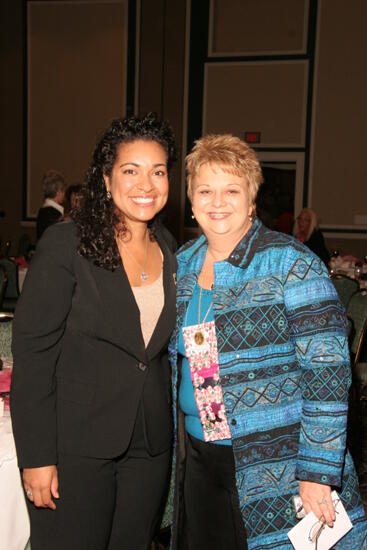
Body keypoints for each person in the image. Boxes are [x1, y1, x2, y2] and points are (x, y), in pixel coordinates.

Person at [168, 134, 367, 549]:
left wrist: (316, 470)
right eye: (205, 190)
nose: (217, 201)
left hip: (273, 461)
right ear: (191, 199)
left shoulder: (291, 263)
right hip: (199, 458)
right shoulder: (183, 264)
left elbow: (328, 374)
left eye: (231, 190)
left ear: (251, 198)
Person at [11, 113, 177, 550]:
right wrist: (37, 457)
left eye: (157, 171)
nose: (146, 184)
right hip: (75, 445)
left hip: (148, 444)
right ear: (106, 180)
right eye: (130, 170)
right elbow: (33, 357)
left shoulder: (172, 248)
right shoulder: (68, 244)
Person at [36, 170, 67, 239]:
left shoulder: (43, 211)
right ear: (58, 192)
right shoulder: (54, 215)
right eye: (64, 190)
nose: (64, 194)